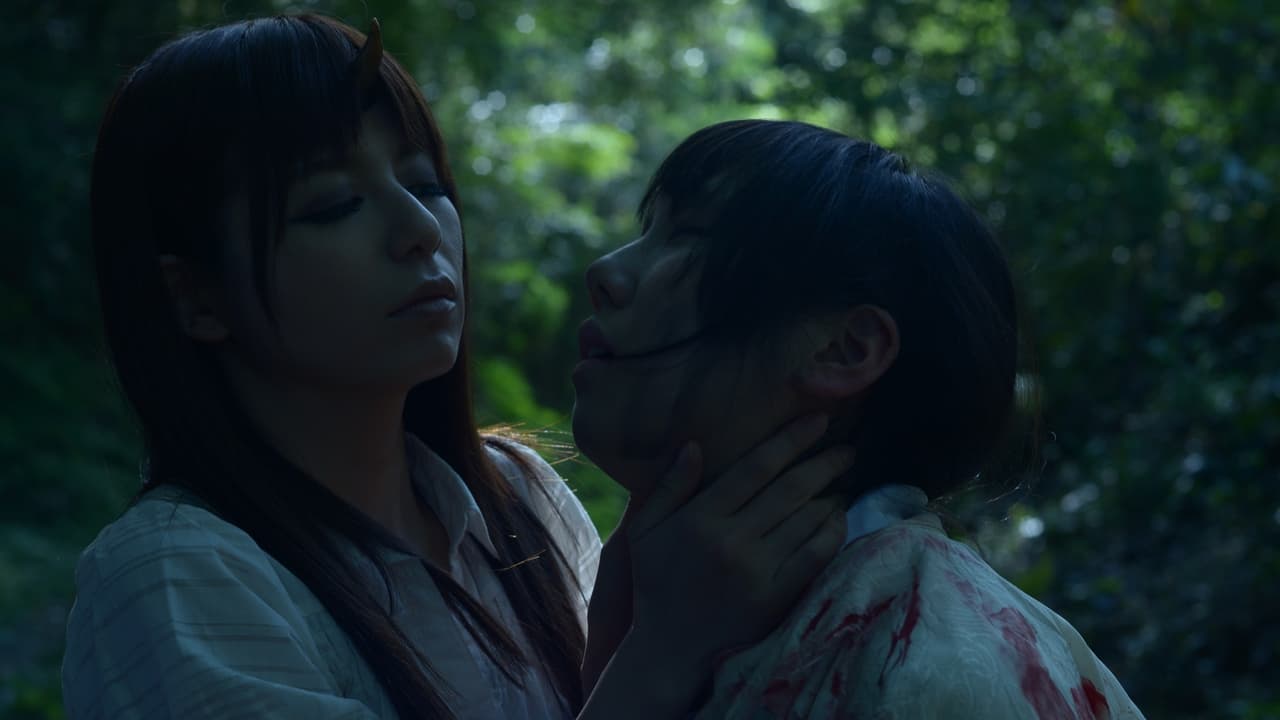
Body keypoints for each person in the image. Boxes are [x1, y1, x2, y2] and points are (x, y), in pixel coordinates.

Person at [61, 17, 855, 720]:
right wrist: (667, 649)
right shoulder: (178, 579)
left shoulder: (522, 498)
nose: (418, 229)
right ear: (196, 298)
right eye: (334, 205)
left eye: (425, 184)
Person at [573, 119, 1146, 718]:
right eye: (648, 231)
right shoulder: (671, 615)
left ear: (846, 349)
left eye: (688, 237)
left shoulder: (931, 671)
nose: (605, 272)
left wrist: (653, 663)